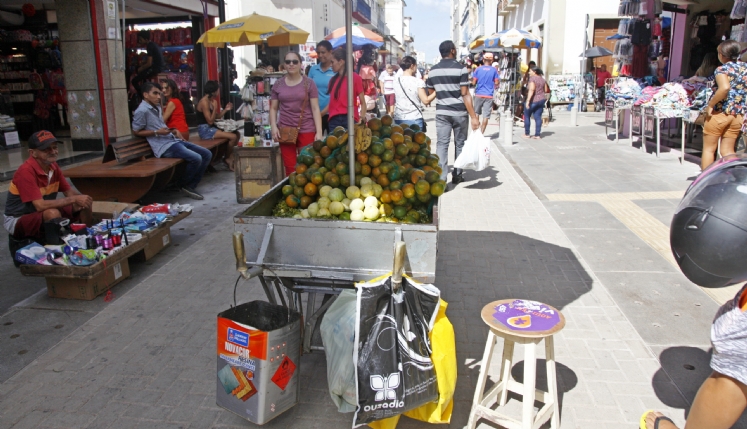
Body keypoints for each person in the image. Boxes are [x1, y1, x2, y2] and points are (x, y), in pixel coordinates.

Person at [3, 130, 93, 244]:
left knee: (84, 202)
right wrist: (74, 199)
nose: (53, 151)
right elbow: (40, 206)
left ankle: (86, 237)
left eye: (54, 147)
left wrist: (84, 199)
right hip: (17, 219)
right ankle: (55, 247)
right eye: (46, 149)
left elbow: (69, 193)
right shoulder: (25, 172)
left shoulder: (53, 166)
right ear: (33, 153)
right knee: (52, 213)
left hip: (41, 212)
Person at [133, 82, 212, 200]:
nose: (159, 97)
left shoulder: (157, 106)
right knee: (196, 158)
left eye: (159, 94)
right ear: (145, 94)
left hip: (172, 139)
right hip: (163, 146)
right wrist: (157, 133)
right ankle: (183, 185)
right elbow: (136, 131)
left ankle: (189, 185)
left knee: (207, 154)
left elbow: (161, 125)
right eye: (155, 93)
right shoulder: (142, 110)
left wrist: (173, 130)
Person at [425, 40, 480, 185]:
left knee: (442, 145)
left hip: (442, 112)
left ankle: (442, 179)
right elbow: (465, 93)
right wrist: (473, 116)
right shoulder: (461, 69)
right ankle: (457, 175)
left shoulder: (433, 71)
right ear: (452, 51)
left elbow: (431, 91)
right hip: (459, 113)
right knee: (460, 143)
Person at [270, 51, 323, 176]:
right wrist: (273, 126)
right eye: (288, 62)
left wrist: (319, 132)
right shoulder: (278, 84)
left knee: (308, 165)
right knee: (290, 168)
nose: (291, 64)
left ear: (300, 64)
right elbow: (273, 108)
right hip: (285, 129)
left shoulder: (309, 83)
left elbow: (315, 108)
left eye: (295, 61)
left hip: (306, 128)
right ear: (284, 64)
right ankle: (292, 193)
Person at [702, 40, 747, 170]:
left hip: (719, 112)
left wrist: (711, 105)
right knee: (728, 151)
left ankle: (706, 179)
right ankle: (732, 176)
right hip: (737, 114)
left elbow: (724, 88)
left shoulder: (722, 69)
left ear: (722, 54)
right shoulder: (745, 68)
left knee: (709, 150)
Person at [196, 80, 239, 170]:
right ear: (214, 91)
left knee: (237, 133)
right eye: (218, 90)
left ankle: (230, 157)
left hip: (211, 127)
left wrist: (226, 109)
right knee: (233, 137)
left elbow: (216, 117)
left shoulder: (210, 101)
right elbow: (210, 121)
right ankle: (227, 158)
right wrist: (215, 106)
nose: (219, 92)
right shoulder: (204, 102)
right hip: (205, 129)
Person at [326, 47, 367, 133]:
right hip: (333, 120)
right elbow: (332, 104)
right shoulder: (332, 81)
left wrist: (362, 117)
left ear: (341, 62)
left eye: (332, 62)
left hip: (350, 119)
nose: (330, 65)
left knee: (350, 146)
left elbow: (363, 102)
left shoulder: (355, 78)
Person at [393, 56, 435, 129]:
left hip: (399, 118)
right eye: (416, 66)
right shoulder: (418, 82)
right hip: (414, 118)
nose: (416, 69)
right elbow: (426, 101)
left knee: (400, 139)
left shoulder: (396, 81)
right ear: (412, 66)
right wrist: (436, 92)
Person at [308, 40, 335, 133]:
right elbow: (308, 90)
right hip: (315, 112)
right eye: (318, 52)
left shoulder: (335, 70)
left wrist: (322, 113)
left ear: (330, 52)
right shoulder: (313, 69)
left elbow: (337, 95)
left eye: (323, 52)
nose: (320, 55)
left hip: (332, 114)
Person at [471, 52, 500, 133]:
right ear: (491, 61)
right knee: (486, 116)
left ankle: (475, 132)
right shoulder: (494, 70)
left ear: (483, 60)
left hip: (479, 94)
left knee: (476, 113)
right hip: (489, 95)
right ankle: (482, 133)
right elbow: (497, 83)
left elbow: (473, 83)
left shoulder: (478, 69)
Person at [522, 66, 548, 139]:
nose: (529, 72)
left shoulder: (532, 79)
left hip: (533, 100)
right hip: (541, 99)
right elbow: (545, 90)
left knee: (527, 116)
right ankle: (537, 134)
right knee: (538, 117)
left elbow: (532, 90)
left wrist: (528, 101)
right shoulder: (542, 79)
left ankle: (527, 133)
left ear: (534, 72)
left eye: (530, 71)